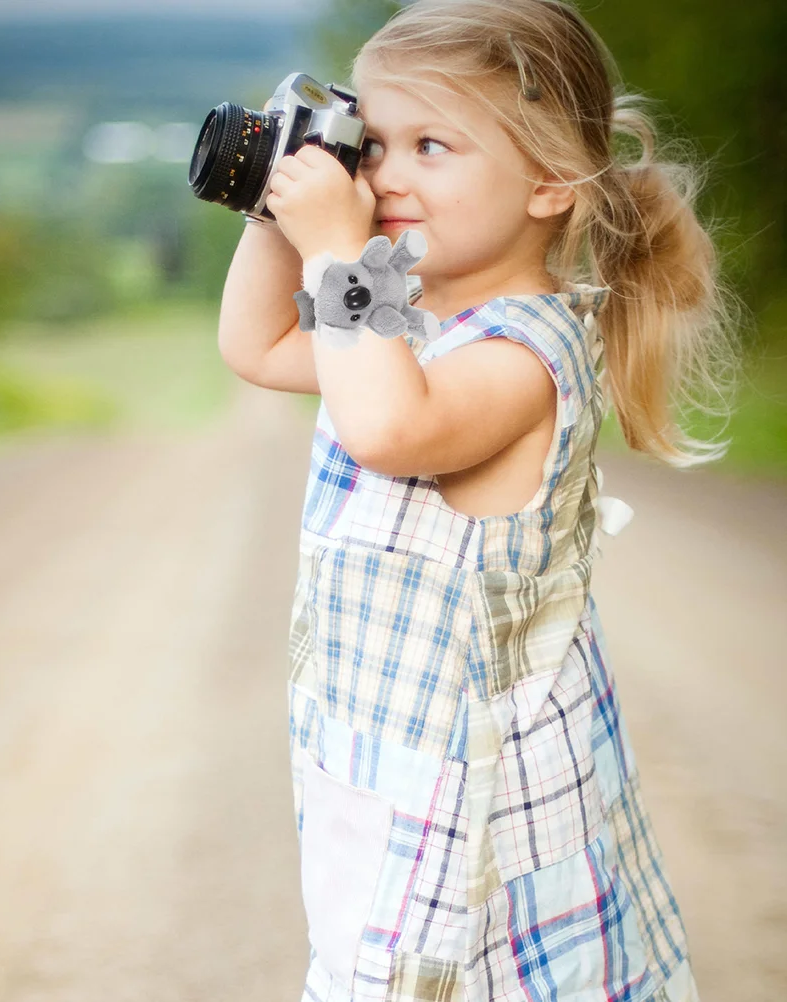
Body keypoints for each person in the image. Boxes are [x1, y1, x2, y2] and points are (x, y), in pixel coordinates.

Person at [217, 1, 740, 999]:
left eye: (431, 144)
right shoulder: (400, 321)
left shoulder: (528, 352)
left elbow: (389, 428)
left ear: (549, 182)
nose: (384, 177)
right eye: (371, 143)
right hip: (394, 772)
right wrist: (277, 211)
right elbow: (260, 350)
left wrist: (336, 247)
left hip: (481, 818)